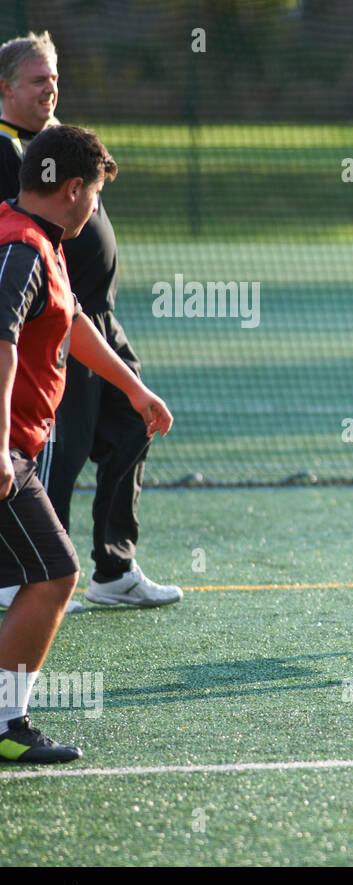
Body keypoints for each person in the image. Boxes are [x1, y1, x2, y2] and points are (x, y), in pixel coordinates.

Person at [0, 124, 173, 762]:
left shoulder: (33, 239)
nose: (95, 206)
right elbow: (3, 341)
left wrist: (135, 391)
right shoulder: (21, 248)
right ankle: (4, 725)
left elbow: (70, 321)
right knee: (55, 574)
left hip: (15, 446)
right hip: (6, 451)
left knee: (29, 574)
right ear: (73, 190)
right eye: (95, 194)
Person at [0, 31, 181, 612]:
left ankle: (114, 567)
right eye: (37, 79)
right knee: (54, 448)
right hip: (46, 324)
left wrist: (138, 387)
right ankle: (21, 570)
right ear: (5, 87)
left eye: (54, 77)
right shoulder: (11, 159)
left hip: (89, 313)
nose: (50, 87)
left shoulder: (60, 143)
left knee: (133, 424)